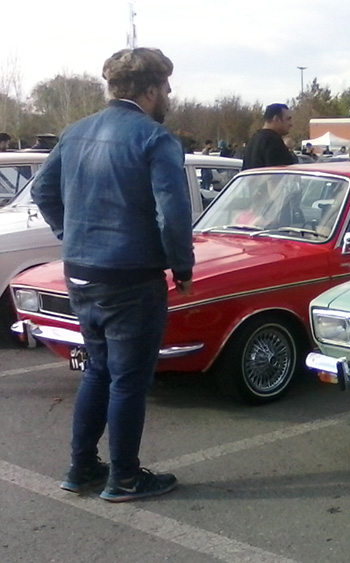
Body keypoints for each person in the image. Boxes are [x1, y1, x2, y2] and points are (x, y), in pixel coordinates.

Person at [32, 47, 193, 503]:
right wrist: (182, 266)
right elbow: (174, 213)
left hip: (81, 271)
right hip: (131, 277)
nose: (168, 94)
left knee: (98, 371)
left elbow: (44, 190)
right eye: (164, 87)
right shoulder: (154, 137)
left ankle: (81, 466)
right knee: (129, 380)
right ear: (148, 90)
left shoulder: (76, 131)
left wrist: (71, 233)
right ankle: (124, 476)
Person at [241, 103, 296, 170]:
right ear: (276, 119)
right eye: (288, 119)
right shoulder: (273, 141)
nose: (291, 124)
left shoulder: (253, 140)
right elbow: (283, 174)